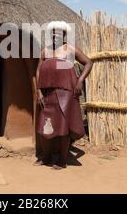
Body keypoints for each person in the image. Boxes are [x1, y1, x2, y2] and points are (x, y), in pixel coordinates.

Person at [34, 21, 93, 170]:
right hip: (47, 94)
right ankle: (46, 157)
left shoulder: (70, 50)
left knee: (63, 128)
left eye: (59, 33)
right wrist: (39, 91)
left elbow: (88, 62)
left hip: (66, 94)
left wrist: (79, 81)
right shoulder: (45, 52)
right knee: (44, 126)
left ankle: (62, 160)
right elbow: (38, 71)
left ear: (65, 35)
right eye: (53, 32)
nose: (55, 35)